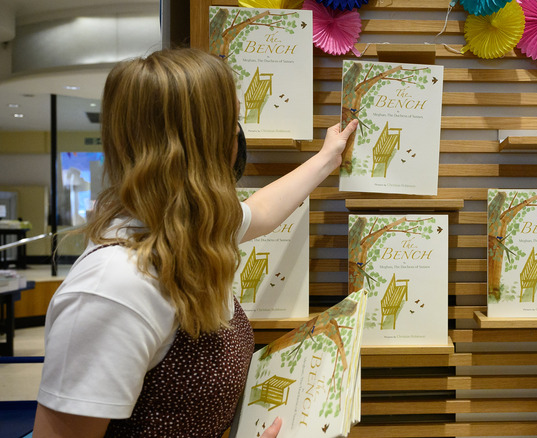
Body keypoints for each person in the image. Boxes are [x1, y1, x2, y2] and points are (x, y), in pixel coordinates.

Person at [32, 48, 358, 437]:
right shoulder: (113, 289)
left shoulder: (190, 229)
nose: (239, 137)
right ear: (205, 144)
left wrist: (327, 157)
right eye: (232, 122)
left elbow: (262, 210)